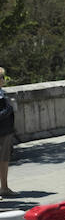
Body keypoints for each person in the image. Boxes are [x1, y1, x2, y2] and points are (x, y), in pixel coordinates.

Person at [0, 67, 16, 198]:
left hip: (6, 130)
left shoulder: (2, 93)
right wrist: (8, 110)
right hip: (2, 129)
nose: (3, 80)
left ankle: (4, 187)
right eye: (1, 77)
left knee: (4, 160)